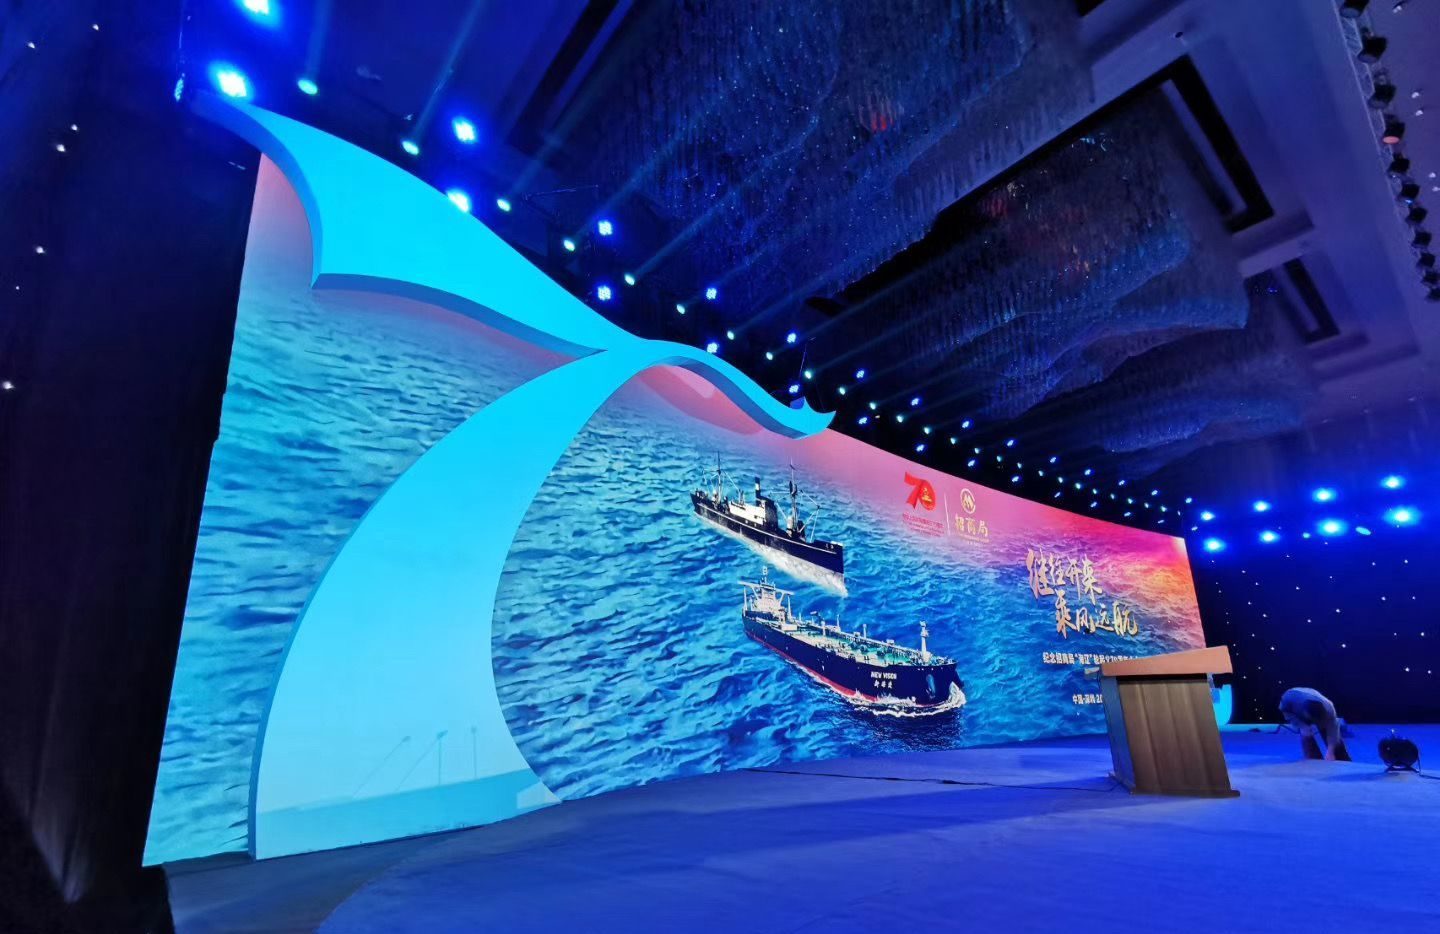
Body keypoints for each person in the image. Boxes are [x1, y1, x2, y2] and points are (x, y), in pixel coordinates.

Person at [1278, 687, 1351, 761]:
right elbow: (1285, 712)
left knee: (1332, 738)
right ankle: (1312, 761)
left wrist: (1330, 752)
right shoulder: (1288, 700)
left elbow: (1333, 732)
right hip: (1294, 703)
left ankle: (1343, 760)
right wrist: (1301, 725)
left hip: (1316, 706)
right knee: (1306, 733)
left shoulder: (1329, 709)